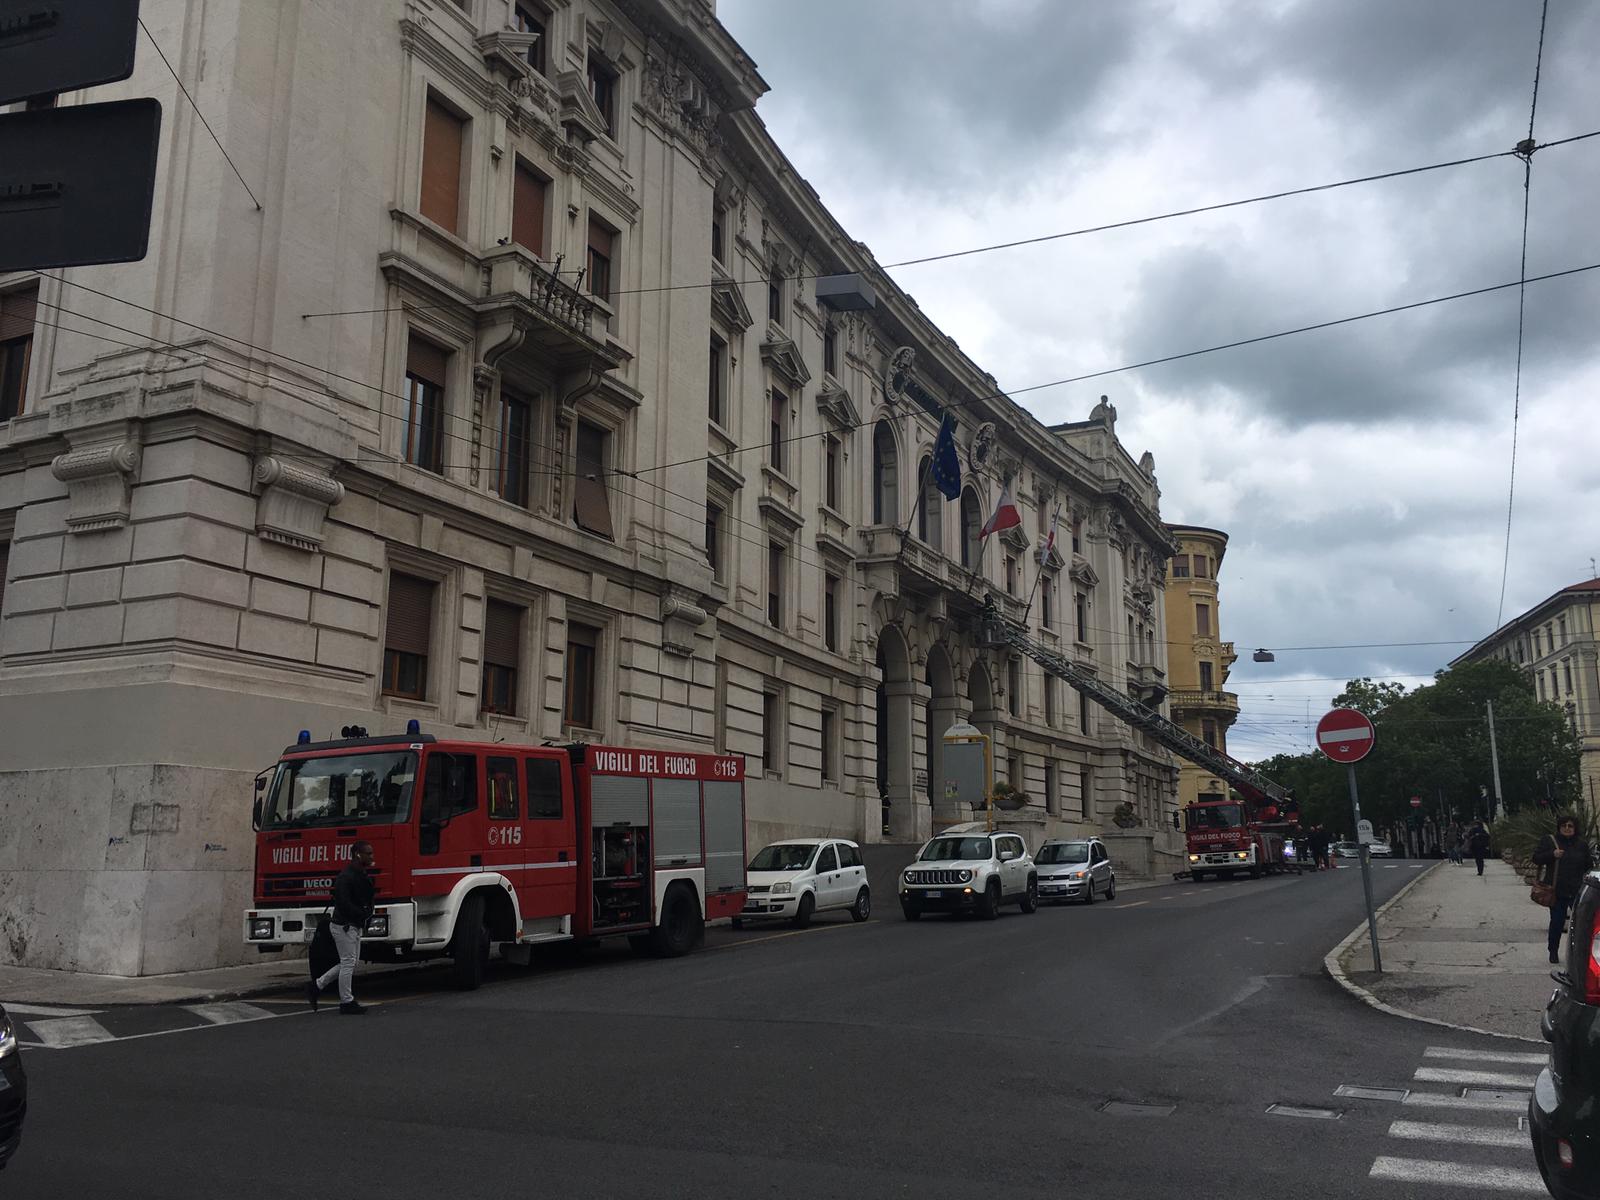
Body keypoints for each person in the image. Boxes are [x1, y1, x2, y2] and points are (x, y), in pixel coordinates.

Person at [308, 840, 376, 1014]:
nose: (371, 856)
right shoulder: (346, 877)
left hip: (354, 925)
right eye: (368, 853)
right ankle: (346, 1001)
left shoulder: (361, 874)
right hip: (344, 926)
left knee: (350, 962)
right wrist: (362, 913)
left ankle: (317, 986)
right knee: (348, 963)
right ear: (358, 855)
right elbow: (344, 903)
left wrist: (367, 912)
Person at [1533, 815, 1594, 965]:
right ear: (1559, 827)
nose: (1567, 828)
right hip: (1556, 891)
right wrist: (1552, 854)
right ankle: (1553, 951)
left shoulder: (1581, 845)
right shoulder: (1550, 841)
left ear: (1575, 828)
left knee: (1581, 924)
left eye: (1570, 826)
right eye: (1564, 826)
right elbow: (1536, 858)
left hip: (1577, 891)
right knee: (1557, 922)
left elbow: (1588, 865)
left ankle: (1579, 954)